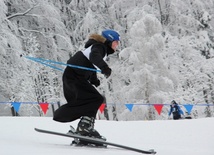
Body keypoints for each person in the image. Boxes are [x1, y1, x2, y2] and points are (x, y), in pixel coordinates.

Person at [53, 29, 120, 140]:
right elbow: (94, 57)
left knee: (90, 100)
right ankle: (84, 127)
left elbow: (90, 64)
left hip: (72, 76)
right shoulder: (100, 47)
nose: (117, 45)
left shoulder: (97, 47)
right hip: (74, 76)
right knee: (96, 98)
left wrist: (94, 80)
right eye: (116, 42)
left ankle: (85, 127)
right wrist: (105, 68)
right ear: (109, 40)